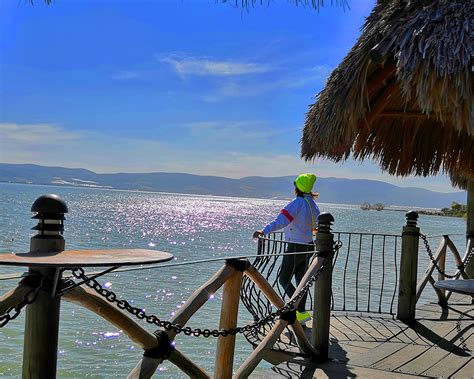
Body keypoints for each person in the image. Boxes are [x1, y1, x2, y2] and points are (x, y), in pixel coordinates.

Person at [253, 173, 320, 324]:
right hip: (309, 246)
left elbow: (281, 221)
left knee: (283, 279)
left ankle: (298, 311)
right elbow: (316, 226)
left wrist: (264, 231)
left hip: (296, 246)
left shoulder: (296, 203)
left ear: (298, 187)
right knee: (301, 281)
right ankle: (301, 313)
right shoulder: (313, 205)